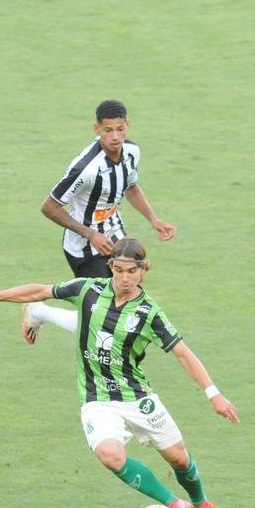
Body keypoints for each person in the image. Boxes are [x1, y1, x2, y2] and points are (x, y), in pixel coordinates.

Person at [0, 238, 236, 508]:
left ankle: (201, 502)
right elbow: (41, 291)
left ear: (143, 271)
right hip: (97, 398)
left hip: (137, 396)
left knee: (179, 460)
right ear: (111, 268)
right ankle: (172, 503)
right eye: (118, 270)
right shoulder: (88, 290)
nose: (125, 278)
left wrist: (213, 394)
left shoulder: (150, 314)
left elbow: (182, 353)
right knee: (110, 455)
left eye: (132, 271)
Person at [23, 100, 176, 344]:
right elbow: (49, 207)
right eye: (108, 130)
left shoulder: (132, 152)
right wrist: (90, 234)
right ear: (97, 129)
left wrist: (153, 219)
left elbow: (131, 187)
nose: (115, 136)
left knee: (126, 297)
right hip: (83, 248)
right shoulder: (85, 168)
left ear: (128, 126)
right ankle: (38, 310)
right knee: (103, 316)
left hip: (116, 237)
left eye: (120, 129)